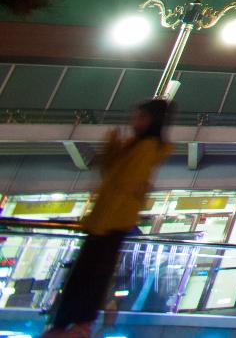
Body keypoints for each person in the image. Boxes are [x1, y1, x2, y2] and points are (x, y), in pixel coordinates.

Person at [42, 100, 171, 338]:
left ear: (152, 120)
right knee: (85, 277)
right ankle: (69, 325)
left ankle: (74, 326)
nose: (135, 121)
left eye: (141, 116)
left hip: (112, 222)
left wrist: (116, 155)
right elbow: (115, 176)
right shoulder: (137, 146)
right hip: (105, 220)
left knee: (90, 277)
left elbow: (124, 182)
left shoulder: (146, 148)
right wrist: (114, 150)